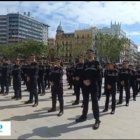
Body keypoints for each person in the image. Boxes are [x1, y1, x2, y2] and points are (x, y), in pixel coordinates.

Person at [76, 49, 101, 130]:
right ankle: (84, 116)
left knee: (94, 102)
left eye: (91, 53)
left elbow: (99, 75)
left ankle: (97, 119)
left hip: (93, 85)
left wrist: (90, 81)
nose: (89, 54)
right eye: (88, 53)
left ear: (94, 54)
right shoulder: (85, 64)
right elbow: (82, 74)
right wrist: (83, 80)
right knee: (85, 101)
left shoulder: (97, 63)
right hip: (85, 85)